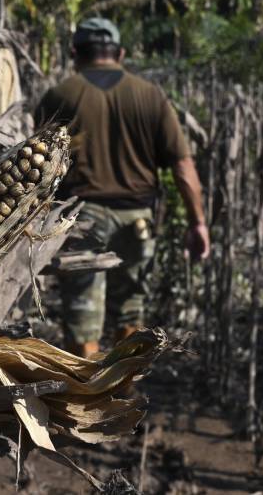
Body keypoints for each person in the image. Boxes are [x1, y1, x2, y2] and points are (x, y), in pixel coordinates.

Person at [35, 18, 209, 358]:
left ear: (75, 53)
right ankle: (122, 400)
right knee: (131, 314)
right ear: (121, 53)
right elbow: (183, 166)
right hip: (137, 223)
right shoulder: (151, 96)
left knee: (83, 321)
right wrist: (197, 223)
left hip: (80, 220)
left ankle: (85, 403)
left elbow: (39, 169)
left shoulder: (60, 96)